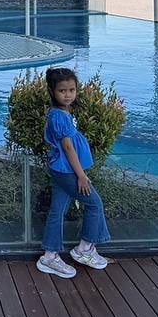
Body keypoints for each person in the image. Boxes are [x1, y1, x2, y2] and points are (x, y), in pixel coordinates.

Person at [37, 67, 110, 278]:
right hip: (67, 171)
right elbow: (68, 148)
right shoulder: (58, 117)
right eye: (62, 91)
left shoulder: (62, 113)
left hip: (62, 169)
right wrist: (81, 176)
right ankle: (84, 249)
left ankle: (49, 256)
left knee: (57, 210)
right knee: (94, 204)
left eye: (72, 90)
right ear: (52, 91)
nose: (68, 95)